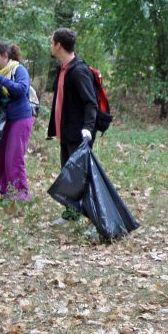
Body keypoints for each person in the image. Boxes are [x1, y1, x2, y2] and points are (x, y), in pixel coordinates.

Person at [47, 28, 97, 220]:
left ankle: (95, 220)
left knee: (83, 177)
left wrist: (88, 128)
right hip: (66, 133)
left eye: (52, 42)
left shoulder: (78, 71)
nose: (51, 46)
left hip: (79, 134)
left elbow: (91, 102)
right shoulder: (64, 69)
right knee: (69, 175)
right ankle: (71, 213)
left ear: (59, 45)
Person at [0, 40, 34, 201]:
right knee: (1, 159)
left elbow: (21, 90)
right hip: (3, 122)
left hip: (20, 119)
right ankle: (6, 193)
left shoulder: (18, 69)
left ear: (5, 55)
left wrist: (1, 81)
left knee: (14, 158)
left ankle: (21, 195)